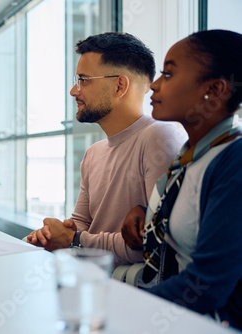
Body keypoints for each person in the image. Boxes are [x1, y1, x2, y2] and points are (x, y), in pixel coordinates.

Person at [26, 32, 186, 266]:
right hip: (92, 282)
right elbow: (79, 224)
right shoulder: (94, 153)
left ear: (120, 85)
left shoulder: (160, 137)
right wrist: (52, 236)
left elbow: (154, 247)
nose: (74, 91)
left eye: (84, 80)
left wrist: (75, 240)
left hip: (130, 294)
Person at [119, 30, 242, 330]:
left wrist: (121, 309)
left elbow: (206, 285)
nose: (154, 84)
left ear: (214, 89)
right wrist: (145, 212)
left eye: (168, 73)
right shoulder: (194, 153)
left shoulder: (234, 161)